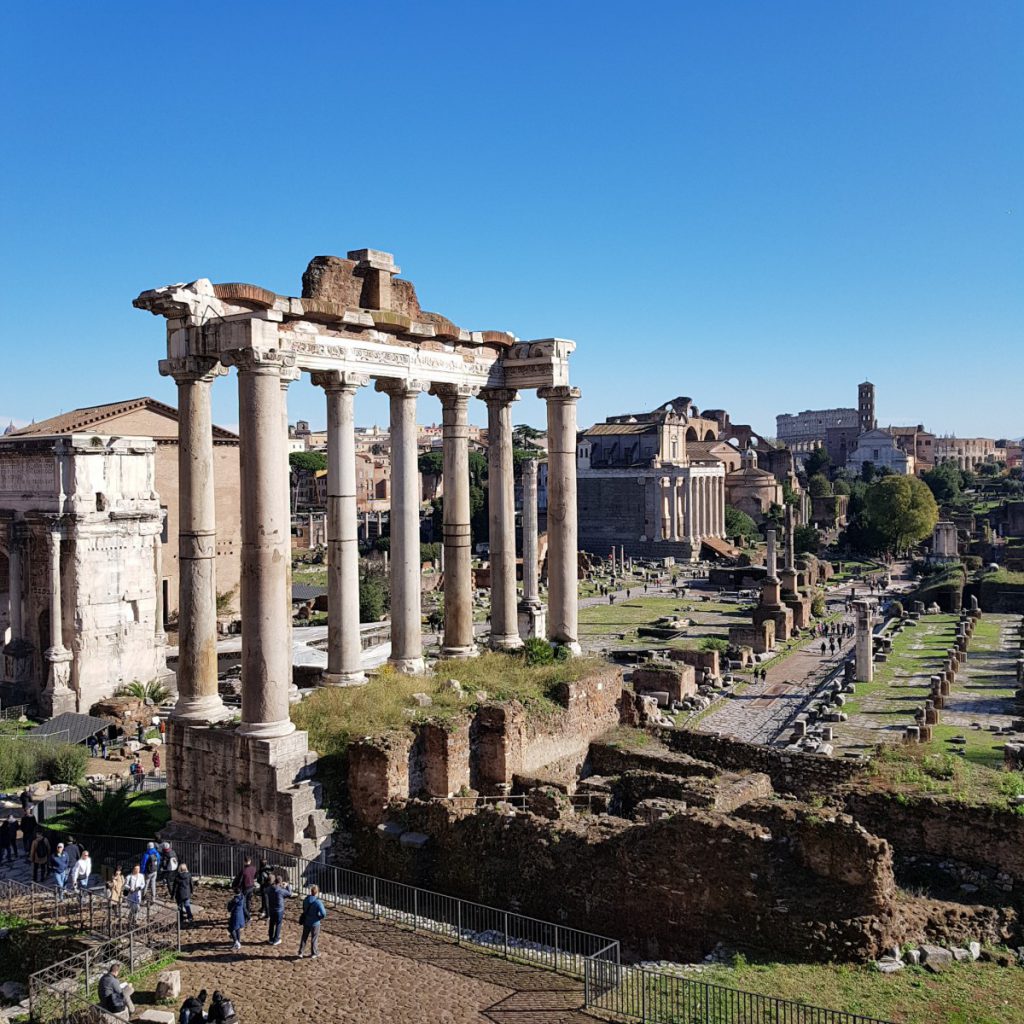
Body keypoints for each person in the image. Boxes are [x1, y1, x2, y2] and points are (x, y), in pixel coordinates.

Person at [297, 883, 326, 958]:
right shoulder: (318, 902)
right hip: (315, 923)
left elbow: (304, 908)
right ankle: (314, 952)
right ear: (317, 892)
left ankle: (301, 952)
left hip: (306, 921)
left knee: (304, 937)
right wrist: (319, 917)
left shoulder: (306, 899)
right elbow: (323, 913)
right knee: (314, 938)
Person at [266, 874, 292, 945]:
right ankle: (276, 939)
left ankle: (271, 939)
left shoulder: (270, 889)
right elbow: (289, 894)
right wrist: (287, 886)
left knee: (271, 924)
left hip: (271, 909)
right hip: (279, 910)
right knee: (278, 924)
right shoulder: (281, 890)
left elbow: (267, 890)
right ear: (280, 882)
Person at [171, 861, 195, 926]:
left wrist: (172, 895)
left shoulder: (177, 877)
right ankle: (190, 917)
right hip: (187, 894)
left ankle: (181, 918)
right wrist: (191, 892)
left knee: (180, 907)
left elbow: (175, 887)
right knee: (187, 906)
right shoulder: (189, 875)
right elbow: (191, 885)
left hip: (179, 895)